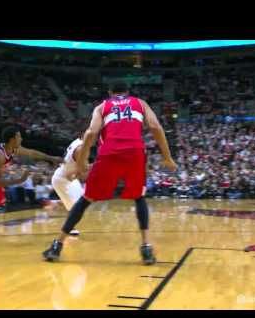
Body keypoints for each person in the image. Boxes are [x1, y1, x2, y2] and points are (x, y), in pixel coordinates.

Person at [42, 81, 177, 265]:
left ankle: (57, 245)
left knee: (86, 199)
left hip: (109, 152)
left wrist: (82, 162)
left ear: (110, 93)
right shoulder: (140, 103)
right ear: (128, 92)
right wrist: (167, 157)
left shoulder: (102, 107)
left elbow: (90, 133)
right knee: (139, 197)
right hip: (134, 152)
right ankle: (146, 247)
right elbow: (155, 127)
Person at [50, 133, 87, 236]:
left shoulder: (78, 142)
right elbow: (74, 174)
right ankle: (68, 228)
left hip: (68, 177)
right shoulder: (80, 148)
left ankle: (57, 202)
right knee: (76, 207)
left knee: (82, 200)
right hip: (62, 179)